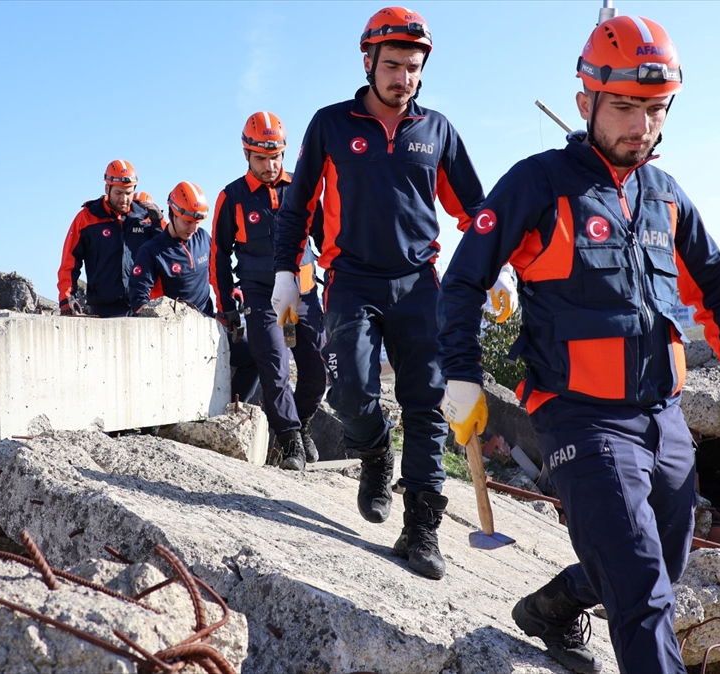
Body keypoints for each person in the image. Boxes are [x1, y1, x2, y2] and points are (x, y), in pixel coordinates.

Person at [437, 15, 720, 673]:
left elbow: (717, 290)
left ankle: (552, 607)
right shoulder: (537, 183)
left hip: (662, 416)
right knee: (641, 585)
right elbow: (463, 280)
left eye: (654, 109)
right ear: (585, 101)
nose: (640, 125)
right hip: (578, 415)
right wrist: (461, 375)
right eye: (624, 106)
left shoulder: (666, 197)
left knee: (663, 559)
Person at [272, 6, 485, 580]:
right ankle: (372, 452)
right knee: (347, 395)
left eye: (413, 68)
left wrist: (501, 267)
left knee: (426, 406)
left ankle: (421, 528)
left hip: (419, 286)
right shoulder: (331, 124)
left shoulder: (436, 131)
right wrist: (285, 272)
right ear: (368, 62)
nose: (403, 78)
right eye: (393, 66)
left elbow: (476, 213)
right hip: (351, 283)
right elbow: (298, 208)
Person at [211, 111, 327, 471]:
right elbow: (218, 254)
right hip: (261, 297)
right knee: (275, 365)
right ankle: (290, 441)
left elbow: (327, 241)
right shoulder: (232, 197)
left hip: (305, 294)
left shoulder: (302, 189)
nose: (269, 164)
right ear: (247, 154)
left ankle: (302, 422)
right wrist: (226, 303)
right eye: (261, 157)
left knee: (318, 370)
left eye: (275, 156)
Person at [130, 181, 259, 402]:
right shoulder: (151, 251)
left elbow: (217, 274)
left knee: (254, 356)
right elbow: (138, 301)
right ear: (173, 213)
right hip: (174, 336)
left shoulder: (203, 238)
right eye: (188, 221)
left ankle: (229, 409)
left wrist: (232, 294)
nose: (193, 228)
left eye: (198, 222)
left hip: (209, 325)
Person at [57, 159, 166, 318]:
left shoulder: (147, 217)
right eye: (118, 193)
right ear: (107, 188)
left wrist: (158, 223)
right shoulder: (87, 218)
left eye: (128, 193)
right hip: (104, 308)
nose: (124, 199)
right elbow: (69, 261)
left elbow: (170, 250)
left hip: (143, 305)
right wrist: (66, 297)